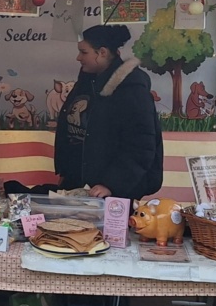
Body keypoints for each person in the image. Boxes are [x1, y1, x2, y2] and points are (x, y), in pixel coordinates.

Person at [53, 24, 163, 200]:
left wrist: (111, 184)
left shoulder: (132, 88)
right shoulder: (88, 81)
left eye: (84, 52)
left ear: (102, 52)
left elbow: (141, 145)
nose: (78, 58)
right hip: (82, 185)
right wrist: (67, 172)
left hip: (111, 192)